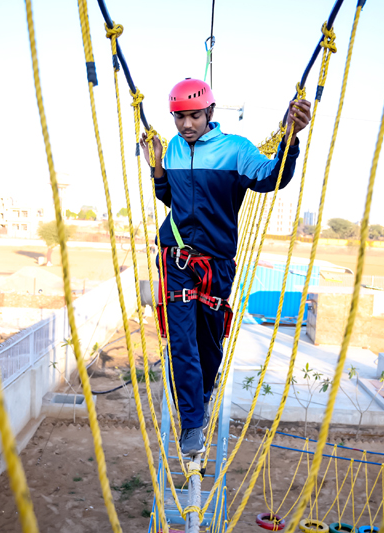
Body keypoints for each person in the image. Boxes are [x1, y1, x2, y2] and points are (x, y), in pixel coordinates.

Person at [141, 78, 311, 456]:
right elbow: (169, 197)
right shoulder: (171, 149)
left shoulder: (235, 150)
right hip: (176, 260)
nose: (186, 125)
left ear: (210, 113)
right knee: (182, 342)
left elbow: (273, 177)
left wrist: (290, 139)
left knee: (208, 343)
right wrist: (157, 168)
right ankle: (191, 423)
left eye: (194, 116)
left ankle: (201, 396)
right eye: (180, 118)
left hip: (216, 264)